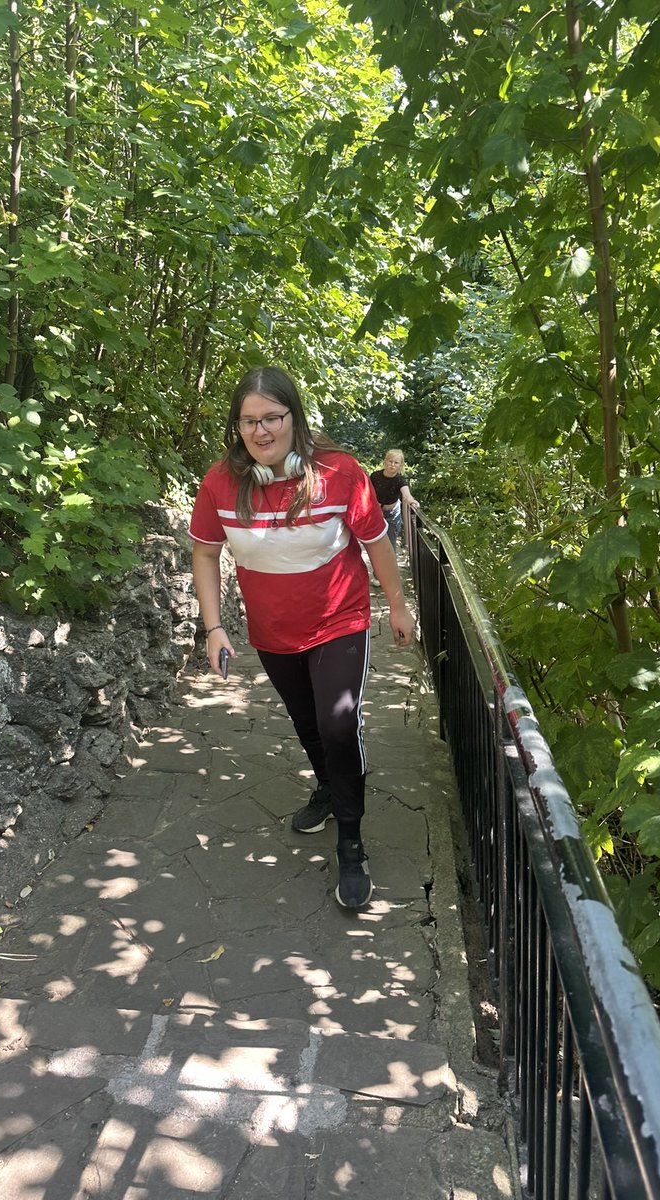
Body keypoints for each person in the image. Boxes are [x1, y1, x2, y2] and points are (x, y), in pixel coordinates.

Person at [189, 366, 416, 909]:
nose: (261, 430)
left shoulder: (341, 473)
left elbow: (377, 544)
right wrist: (214, 627)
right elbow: (205, 553)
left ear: (294, 417)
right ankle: (329, 788)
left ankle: (351, 842)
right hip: (273, 632)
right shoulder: (220, 482)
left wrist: (398, 604)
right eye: (249, 421)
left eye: (272, 417)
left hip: (340, 619)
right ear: (236, 426)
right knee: (307, 722)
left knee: (338, 723)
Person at [369, 449, 420, 553]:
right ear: (385, 461)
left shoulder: (400, 480)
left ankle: (390, 562)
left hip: (392, 514)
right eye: (390, 461)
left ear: (400, 465)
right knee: (375, 542)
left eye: (396, 462)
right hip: (376, 512)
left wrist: (412, 502)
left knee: (390, 543)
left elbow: (406, 495)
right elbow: (366, 492)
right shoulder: (375, 476)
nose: (392, 465)